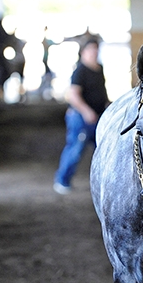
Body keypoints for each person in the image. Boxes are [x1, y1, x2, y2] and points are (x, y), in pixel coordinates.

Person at [53, 36, 110, 194]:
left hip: (98, 117)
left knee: (102, 150)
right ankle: (62, 180)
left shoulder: (99, 69)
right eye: (90, 49)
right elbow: (73, 95)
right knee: (75, 150)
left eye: (96, 49)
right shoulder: (80, 71)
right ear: (83, 52)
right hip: (81, 118)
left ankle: (103, 183)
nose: (94, 52)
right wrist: (87, 111)